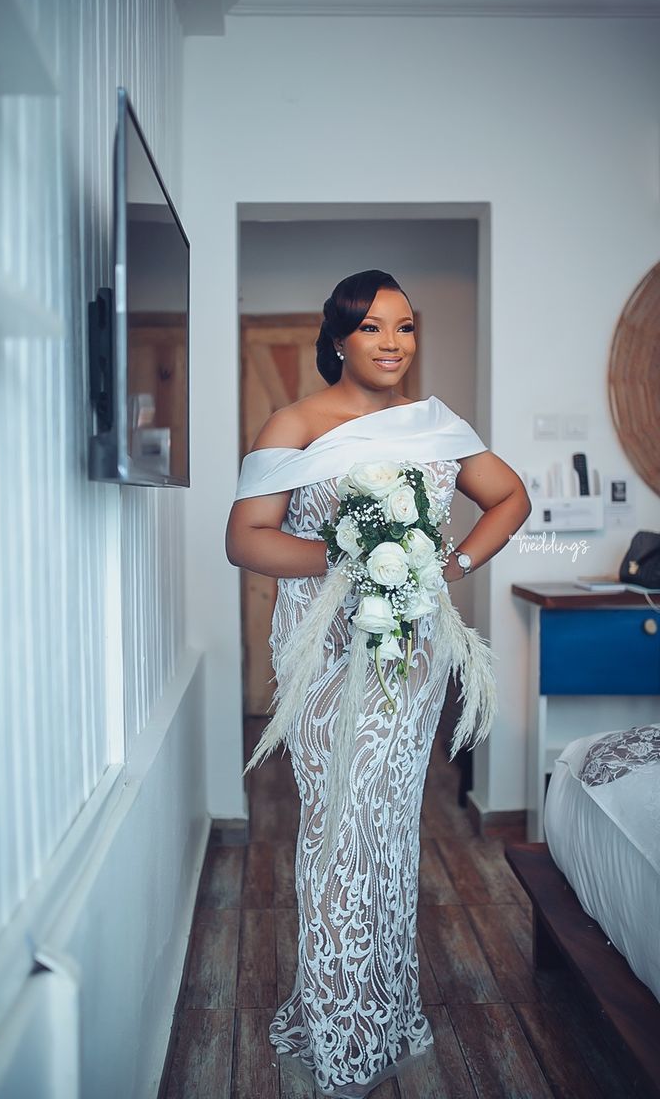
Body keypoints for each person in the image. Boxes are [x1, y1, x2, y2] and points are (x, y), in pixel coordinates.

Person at [225, 269, 531, 1098]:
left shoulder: (437, 426)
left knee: (390, 824)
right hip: (324, 650)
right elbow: (246, 540)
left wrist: (445, 569)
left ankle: (384, 1009)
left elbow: (510, 498)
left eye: (404, 327)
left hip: (414, 650)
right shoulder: (294, 422)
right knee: (337, 826)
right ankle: (339, 1022)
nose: (392, 342)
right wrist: (353, 561)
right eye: (372, 328)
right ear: (338, 338)